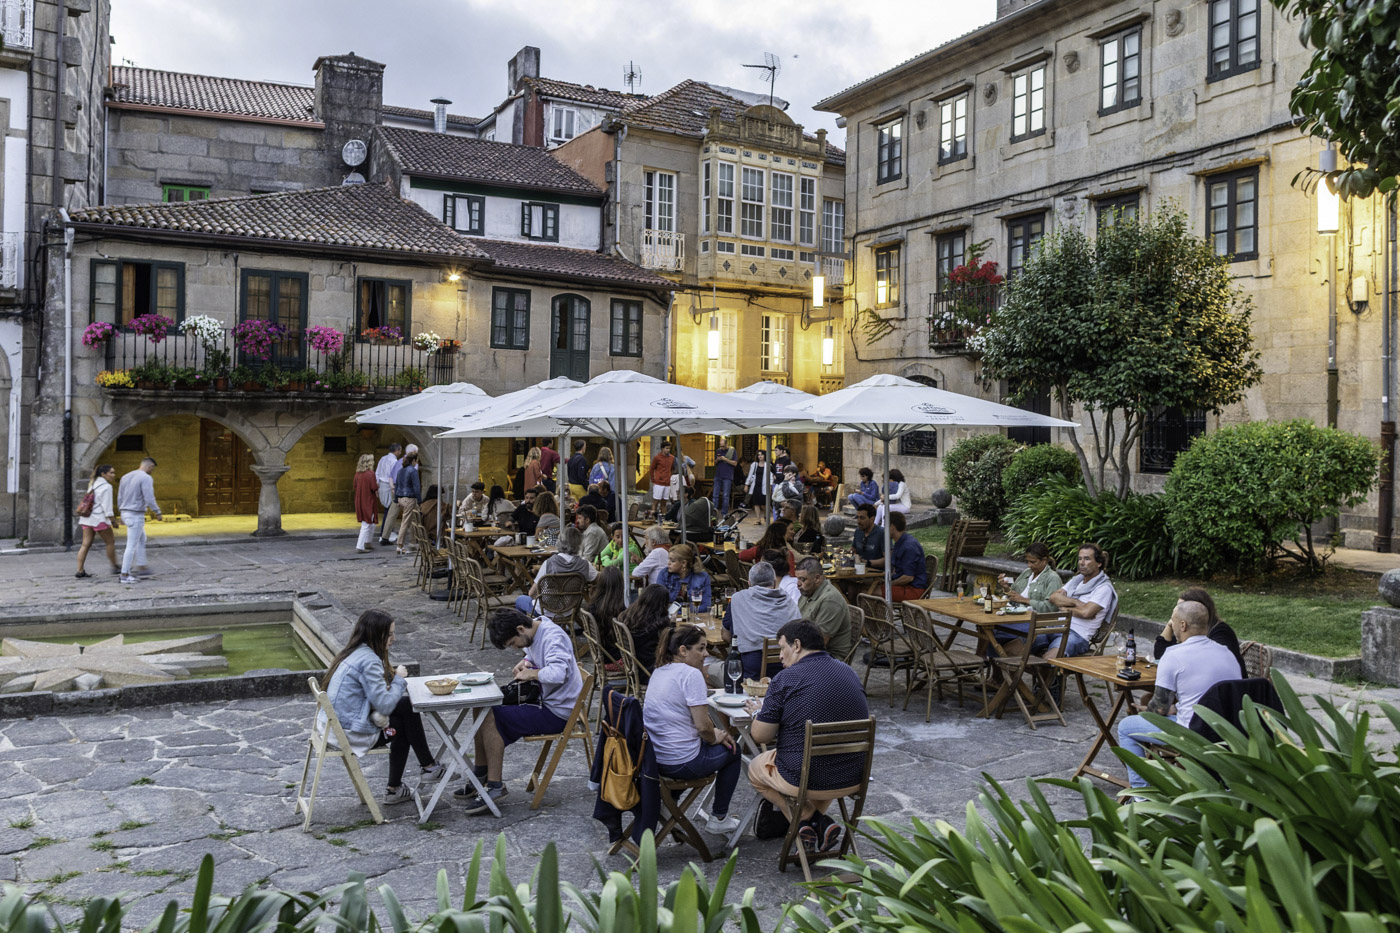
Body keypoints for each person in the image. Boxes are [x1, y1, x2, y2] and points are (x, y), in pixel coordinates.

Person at [746, 619, 870, 853]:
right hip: (851, 776)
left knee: (755, 768)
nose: (780, 656)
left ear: (797, 645)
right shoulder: (849, 672)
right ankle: (817, 827)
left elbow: (761, 735)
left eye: (782, 648)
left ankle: (807, 818)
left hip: (805, 779)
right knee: (817, 761)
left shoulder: (786, 678)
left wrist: (758, 713)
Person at [455, 608, 582, 814]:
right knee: (481, 705)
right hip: (544, 701)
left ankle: (495, 786)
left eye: (513, 643)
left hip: (556, 712)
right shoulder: (535, 630)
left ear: (521, 629)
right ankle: (481, 774)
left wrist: (531, 673)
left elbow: (558, 673)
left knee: (489, 715)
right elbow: (537, 655)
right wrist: (525, 661)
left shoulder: (553, 636)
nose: (515, 648)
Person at [1116, 599, 1241, 794]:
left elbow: (1159, 709)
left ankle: (1142, 794)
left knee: (1126, 727)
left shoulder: (1174, 654)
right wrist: (1178, 708)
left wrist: (1147, 711)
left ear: (1182, 625)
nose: (1171, 625)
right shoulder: (1226, 653)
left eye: (1172, 621)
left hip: (1192, 732)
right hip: (1228, 731)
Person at [321, 609, 443, 806]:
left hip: (335, 726)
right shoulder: (369, 661)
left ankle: (419, 773)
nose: (393, 639)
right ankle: (422, 770)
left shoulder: (355, 652)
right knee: (405, 721)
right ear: (375, 634)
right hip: (349, 734)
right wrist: (398, 680)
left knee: (404, 708)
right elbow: (385, 705)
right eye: (389, 634)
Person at [644, 625, 743, 835]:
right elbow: (703, 727)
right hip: (680, 763)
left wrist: (712, 735)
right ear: (683, 651)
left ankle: (669, 805)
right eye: (701, 648)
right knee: (734, 751)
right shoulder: (691, 675)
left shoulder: (659, 671)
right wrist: (716, 736)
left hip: (655, 759)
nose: (706, 654)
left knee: (693, 742)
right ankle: (718, 817)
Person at [1006, 542, 1117, 659]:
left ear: (1099, 563)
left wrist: (1064, 607)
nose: (1081, 563)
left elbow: (1086, 613)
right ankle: (999, 678)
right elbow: (1053, 597)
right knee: (1010, 650)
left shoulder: (1103, 588)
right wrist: (1076, 602)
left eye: (1087, 559)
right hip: (1053, 627)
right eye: (1080, 559)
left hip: (1076, 635)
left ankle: (1052, 677)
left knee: (1049, 660)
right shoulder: (1076, 581)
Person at [724, 561, 799, 680]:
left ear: (749, 583)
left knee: (712, 669)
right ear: (774, 582)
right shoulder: (788, 599)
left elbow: (726, 636)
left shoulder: (738, 599)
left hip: (752, 671)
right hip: (786, 667)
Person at [1153, 587, 1246, 677]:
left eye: (1182, 608)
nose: (1178, 611)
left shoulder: (1221, 632)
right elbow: (1160, 656)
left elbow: (1210, 664)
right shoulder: (1185, 630)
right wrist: (1170, 625)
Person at [516, 525, 598, 617]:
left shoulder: (549, 563)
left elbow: (532, 593)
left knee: (520, 599)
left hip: (545, 610)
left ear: (560, 542)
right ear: (579, 543)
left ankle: (529, 627)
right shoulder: (585, 564)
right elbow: (598, 580)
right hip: (569, 610)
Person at [795, 556, 852, 661]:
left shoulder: (830, 600)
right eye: (797, 578)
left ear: (817, 578)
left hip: (829, 657)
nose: (798, 584)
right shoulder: (808, 591)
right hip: (807, 647)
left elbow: (819, 643)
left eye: (803, 579)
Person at [117, 457, 162, 584]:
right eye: (152, 468)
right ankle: (124, 574)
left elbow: (120, 496)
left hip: (126, 512)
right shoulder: (146, 478)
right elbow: (149, 497)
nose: (152, 471)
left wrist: (121, 513)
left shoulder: (125, 476)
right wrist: (157, 511)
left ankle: (142, 565)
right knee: (131, 545)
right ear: (149, 466)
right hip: (135, 514)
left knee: (142, 538)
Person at [618, 583, 672, 683]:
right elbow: (668, 646)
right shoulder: (658, 624)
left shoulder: (629, 615)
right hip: (650, 671)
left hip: (634, 668)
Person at [871, 512, 927, 601]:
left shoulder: (909, 546)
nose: (884, 529)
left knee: (867, 592)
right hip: (904, 586)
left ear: (892, 527)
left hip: (913, 590)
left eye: (885, 525)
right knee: (865, 587)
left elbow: (908, 577)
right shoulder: (900, 542)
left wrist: (889, 583)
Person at [76, 464, 120, 578]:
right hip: (99, 519)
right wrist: (113, 521)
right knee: (110, 542)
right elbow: (107, 508)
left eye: (113, 472)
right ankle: (115, 566)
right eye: (111, 473)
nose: (113, 475)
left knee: (85, 545)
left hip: (87, 518)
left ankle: (80, 570)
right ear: (103, 474)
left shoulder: (93, 483)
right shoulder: (106, 487)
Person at [587, 565, 626, 663]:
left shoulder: (593, 605)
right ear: (620, 585)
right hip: (616, 659)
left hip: (600, 655)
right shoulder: (618, 609)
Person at [659, 543, 712, 611]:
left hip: (693, 617)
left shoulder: (702, 576)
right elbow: (659, 603)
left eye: (672, 561)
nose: (668, 563)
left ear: (684, 563)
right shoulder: (664, 574)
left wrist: (677, 608)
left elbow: (706, 606)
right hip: (669, 617)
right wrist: (687, 608)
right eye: (669, 559)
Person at [393, 452, 421, 555]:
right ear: (414, 460)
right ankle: (400, 545)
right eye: (416, 460)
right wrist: (420, 500)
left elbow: (397, 486)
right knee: (405, 522)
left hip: (401, 498)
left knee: (414, 520)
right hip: (409, 498)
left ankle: (413, 543)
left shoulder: (401, 471)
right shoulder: (413, 471)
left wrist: (396, 499)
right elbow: (417, 487)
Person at [375, 443, 403, 546]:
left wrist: (377, 486)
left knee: (387, 510)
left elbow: (377, 473)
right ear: (397, 450)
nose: (400, 452)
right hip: (388, 486)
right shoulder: (394, 461)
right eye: (400, 450)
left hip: (382, 485)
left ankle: (386, 533)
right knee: (389, 511)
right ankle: (384, 535)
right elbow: (394, 477)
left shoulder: (383, 458)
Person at [353, 454, 379, 554]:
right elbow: (374, 487)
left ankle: (367, 542)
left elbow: (355, 486)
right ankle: (360, 546)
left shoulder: (357, 474)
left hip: (360, 500)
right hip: (368, 500)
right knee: (367, 523)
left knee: (371, 523)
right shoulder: (370, 474)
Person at [650, 441, 676, 519]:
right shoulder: (657, 458)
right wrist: (653, 480)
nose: (668, 450)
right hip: (658, 483)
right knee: (656, 501)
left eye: (669, 448)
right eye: (666, 448)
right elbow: (652, 469)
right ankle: (653, 517)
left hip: (667, 483)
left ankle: (663, 518)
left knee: (664, 502)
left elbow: (672, 469)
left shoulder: (672, 458)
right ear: (662, 449)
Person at [713, 438, 738, 515]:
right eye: (721, 446)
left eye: (723, 446)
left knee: (725, 496)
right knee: (715, 495)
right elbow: (715, 463)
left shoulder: (732, 450)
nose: (722, 448)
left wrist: (725, 459)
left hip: (727, 476)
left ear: (727, 444)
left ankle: (724, 513)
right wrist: (718, 459)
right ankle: (714, 513)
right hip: (718, 475)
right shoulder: (718, 451)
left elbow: (735, 463)